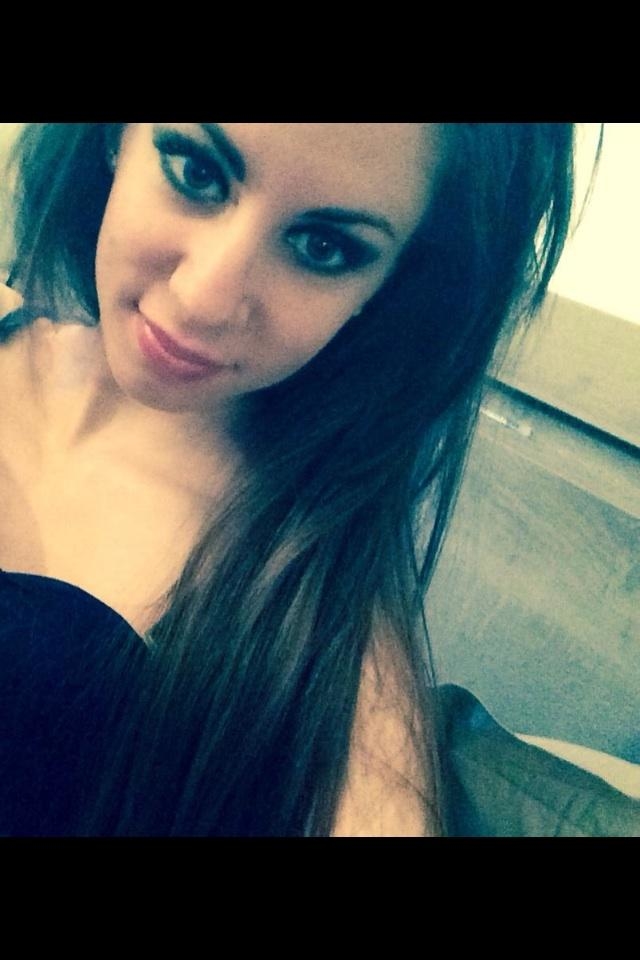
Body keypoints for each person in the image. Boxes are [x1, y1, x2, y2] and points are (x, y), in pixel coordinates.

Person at [0, 122, 638, 837]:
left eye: (323, 248)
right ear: (116, 137)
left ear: (390, 287)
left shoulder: (308, 625)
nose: (203, 299)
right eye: (197, 172)